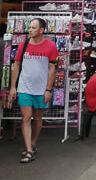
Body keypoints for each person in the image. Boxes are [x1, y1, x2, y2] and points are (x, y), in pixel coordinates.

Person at [8, 17, 60, 163]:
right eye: (29, 27)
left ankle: (33, 143)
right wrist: (13, 87)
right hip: (24, 87)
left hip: (41, 89)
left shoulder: (50, 46)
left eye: (33, 28)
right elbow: (16, 66)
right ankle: (29, 151)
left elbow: (52, 68)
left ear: (42, 30)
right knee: (26, 117)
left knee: (37, 117)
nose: (30, 30)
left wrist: (48, 90)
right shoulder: (23, 45)